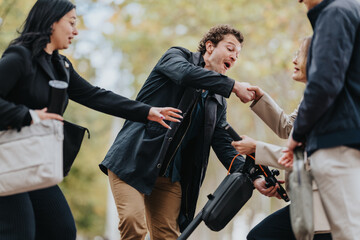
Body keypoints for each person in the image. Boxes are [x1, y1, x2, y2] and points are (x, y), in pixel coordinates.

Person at [0, 0, 182, 239]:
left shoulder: (60, 65)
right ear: (51, 21)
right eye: (72, 22)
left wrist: (146, 111)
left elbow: (95, 96)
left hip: (35, 163)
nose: (76, 31)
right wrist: (30, 116)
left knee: (62, 230)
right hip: (8, 161)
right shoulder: (20, 56)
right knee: (19, 232)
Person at [99, 24, 266, 239]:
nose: (235, 57)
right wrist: (233, 86)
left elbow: (224, 145)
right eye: (230, 49)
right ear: (210, 46)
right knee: (133, 224)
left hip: (170, 178)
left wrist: (254, 177)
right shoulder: (176, 57)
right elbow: (185, 75)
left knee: (169, 236)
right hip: (133, 161)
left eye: (238, 54)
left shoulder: (218, 101)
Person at [232, 37, 332, 240]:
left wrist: (256, 149)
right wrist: (261, 99)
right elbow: (289, 127)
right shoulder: (314, 97)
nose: (294, 60)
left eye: (300, 54)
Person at [278, 0, 360, 239]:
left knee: (349, 233)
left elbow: (323, 84)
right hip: (348, 140)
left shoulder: (336, 13)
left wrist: (297, 134)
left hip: (338, 145)